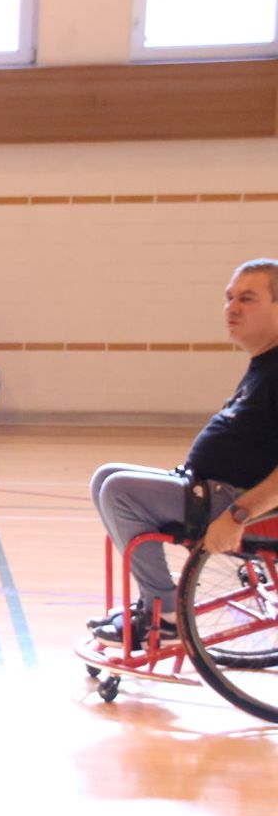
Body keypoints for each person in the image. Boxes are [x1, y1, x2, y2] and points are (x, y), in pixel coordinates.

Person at [88, 258, 278, 647]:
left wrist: (238, 515)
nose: (232, 308)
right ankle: (153, 604)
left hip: (239, 505)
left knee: (119, 490)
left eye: (247, 298)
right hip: (214, 490)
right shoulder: (264, 364)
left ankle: (167, 617)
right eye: (228, 298)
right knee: (107, 477)